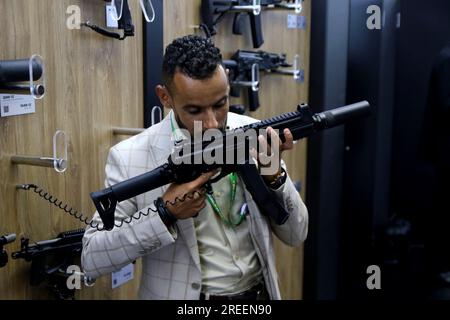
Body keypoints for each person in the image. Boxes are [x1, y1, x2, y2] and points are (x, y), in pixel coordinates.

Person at [81, 35, 308, 300]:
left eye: (220, 104)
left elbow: (296, 234)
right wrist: (164, 212)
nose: (211, 123)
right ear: (165, 97)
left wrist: (274, 178)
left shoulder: (251, 133)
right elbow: (92, 258)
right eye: (195, 110)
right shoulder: (130, 156)